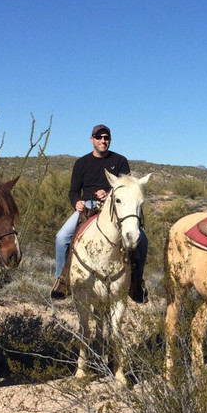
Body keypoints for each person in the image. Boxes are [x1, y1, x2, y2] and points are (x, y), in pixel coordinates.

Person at [51, 124, 148, 303]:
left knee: (142, 241)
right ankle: (62, 279)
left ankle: (137, 283)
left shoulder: (120, 161)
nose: (103, 141)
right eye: (99, 137)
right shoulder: (81, 163)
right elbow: (73, 191)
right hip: (87, 206)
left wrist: (107, 193)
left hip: (113, 207)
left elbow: (126, 188)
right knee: (62, 237)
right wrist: (76, 203)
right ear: (92, 140)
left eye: (106, 138)